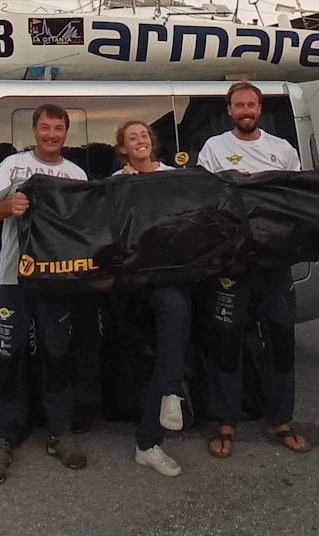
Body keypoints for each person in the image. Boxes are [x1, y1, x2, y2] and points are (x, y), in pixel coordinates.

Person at [196, 81, 310, 458]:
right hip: (232, 263)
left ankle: (282, 421)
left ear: (260, 109)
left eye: (252, 104)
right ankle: (226, 422)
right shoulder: (214, 148)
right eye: (238, 105)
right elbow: (203, 202)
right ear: (229, 110)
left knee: (280, 340)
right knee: (227, 342)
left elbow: (298, 201)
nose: (245, 110)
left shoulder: (282, 150)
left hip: (274, 263)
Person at [0, 104, 89, 486]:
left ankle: (60, 432)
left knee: (58, 355)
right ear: (35, 130)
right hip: (13, 278)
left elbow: (83, 228)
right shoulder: (13, 165)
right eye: (46, 128)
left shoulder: (75, 174)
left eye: (59, 128)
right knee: (7, 357)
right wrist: (10, 205)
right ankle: (0, 439)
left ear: (66, 133)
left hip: (57, 280)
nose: (52, 135)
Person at [113, 120, 191, 477]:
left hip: (182, 269)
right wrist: (124, 186)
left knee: (172, 345)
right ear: (123, 149)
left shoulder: (175, 173)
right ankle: (171, 396)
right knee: (173, 316)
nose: (140, 141)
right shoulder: (120, 181)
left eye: (144, 135)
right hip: (143, 277)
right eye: (132, 138)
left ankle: (149, 439)